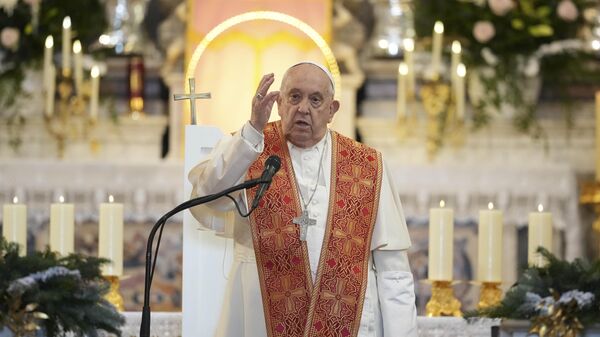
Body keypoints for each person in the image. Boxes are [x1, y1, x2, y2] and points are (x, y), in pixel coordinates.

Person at [189, 62, 417, 337]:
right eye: (294, 97)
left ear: (332, 110)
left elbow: (394, 272)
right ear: (279, 103)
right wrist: (252, 129)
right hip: (261, 318)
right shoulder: (250, 148)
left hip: (347, 321)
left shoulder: (366, 166)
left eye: (315, 99)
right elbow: (207, 195)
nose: (303, 108)